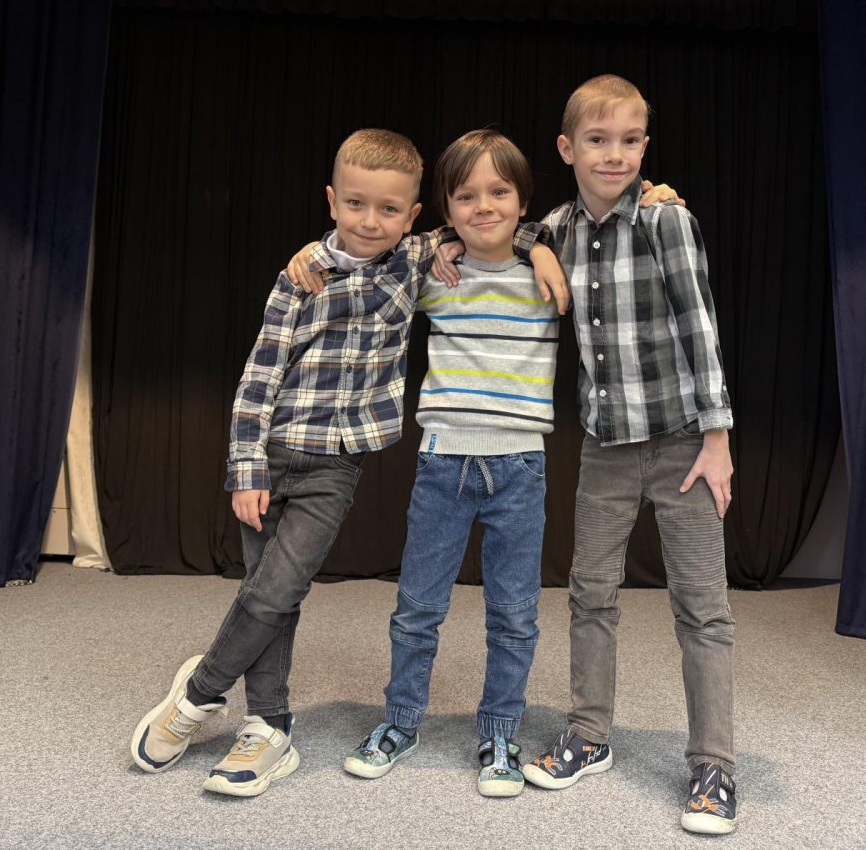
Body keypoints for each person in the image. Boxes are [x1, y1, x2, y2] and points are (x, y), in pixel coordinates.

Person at [128, 128, 556, 797]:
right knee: (268, 595)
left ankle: (199, 693)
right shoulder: (304, 275)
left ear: (413, 215)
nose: (370, 220)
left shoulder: (415, 263)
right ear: (332, 201)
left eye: (389, 209)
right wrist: (246, 466)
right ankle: (269, 726)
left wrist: (540, 244)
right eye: (355, 204)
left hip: (338, 464)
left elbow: (496, 225)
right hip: (273, 455)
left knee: (280, 588)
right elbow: (258, 377)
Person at [517, 75, 739, 835]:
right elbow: (494, 227)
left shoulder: (665, 219)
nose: (614, 155)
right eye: (598, 140)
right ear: (567, 147)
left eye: (630, 140)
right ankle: (588, 734)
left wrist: (718, 439)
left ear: (646, 145)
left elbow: (700, 326)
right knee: (591, 593)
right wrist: (529, 246)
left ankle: (714, 765)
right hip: (606, 447)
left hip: (683, 443)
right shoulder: (555, 229)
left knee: (702, 607)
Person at [331, 129, 556, 797]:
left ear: (522, 201)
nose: (483, 206)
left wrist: (539, 244)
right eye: (465, 196)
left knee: (514, 614)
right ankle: (401, 721)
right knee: (417, 608)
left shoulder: (550, 270)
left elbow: (594, 232)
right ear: (446, 209)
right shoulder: (435, 274)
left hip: (520, 468)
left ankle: (500, 732)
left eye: (499, 192)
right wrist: (432, 244)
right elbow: (367, 255)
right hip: (443, 463)